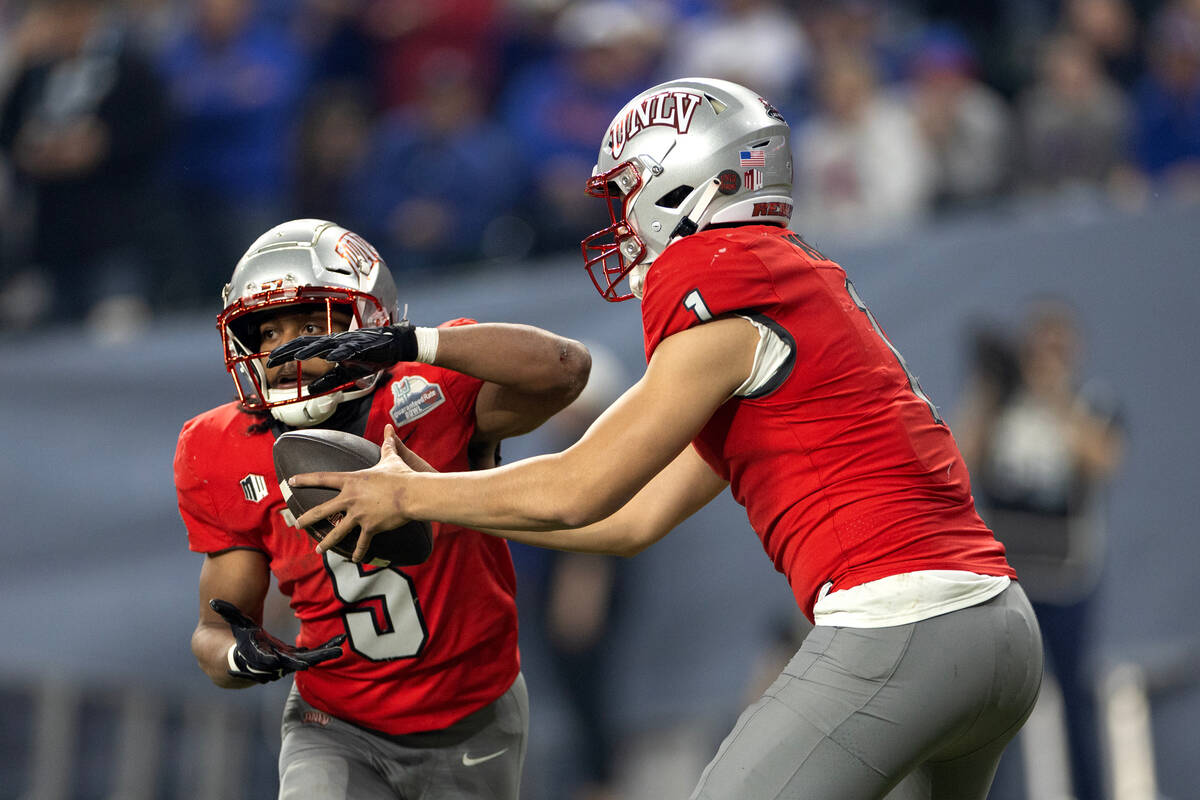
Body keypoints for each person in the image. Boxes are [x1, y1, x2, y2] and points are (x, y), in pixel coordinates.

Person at [283, 79, 1044, 800]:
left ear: (685, 185)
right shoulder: (790, 290)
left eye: (624, 194)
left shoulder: (718, 283)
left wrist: (408, 492)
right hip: (997, 631)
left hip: (900, 623)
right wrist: (447, 505)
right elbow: (629, 522)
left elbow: (578, 488)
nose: (618, 223)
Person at [174, 218, 590, 799]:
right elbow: (215, 629)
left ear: (370, 322)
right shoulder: (217, 446)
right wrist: (238, 657)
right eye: (267, 331)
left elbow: (566, 369)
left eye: (312, 322)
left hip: (472, 712)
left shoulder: (431, 390)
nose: (288, 347)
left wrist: (416, 341)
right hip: (334, 720)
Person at [955, 300, 1124, 800]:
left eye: (1058, 347)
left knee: (1077, 703)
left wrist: (1055, 396)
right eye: (1039, 347)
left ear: (1075, 351)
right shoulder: (1003, 405)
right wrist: (989, 388)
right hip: (1012, 584)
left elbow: (1103, 459)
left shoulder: (1091, 402)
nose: (1047, 358)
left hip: (1071, 579)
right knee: (1000, 710)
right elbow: (961, 461)